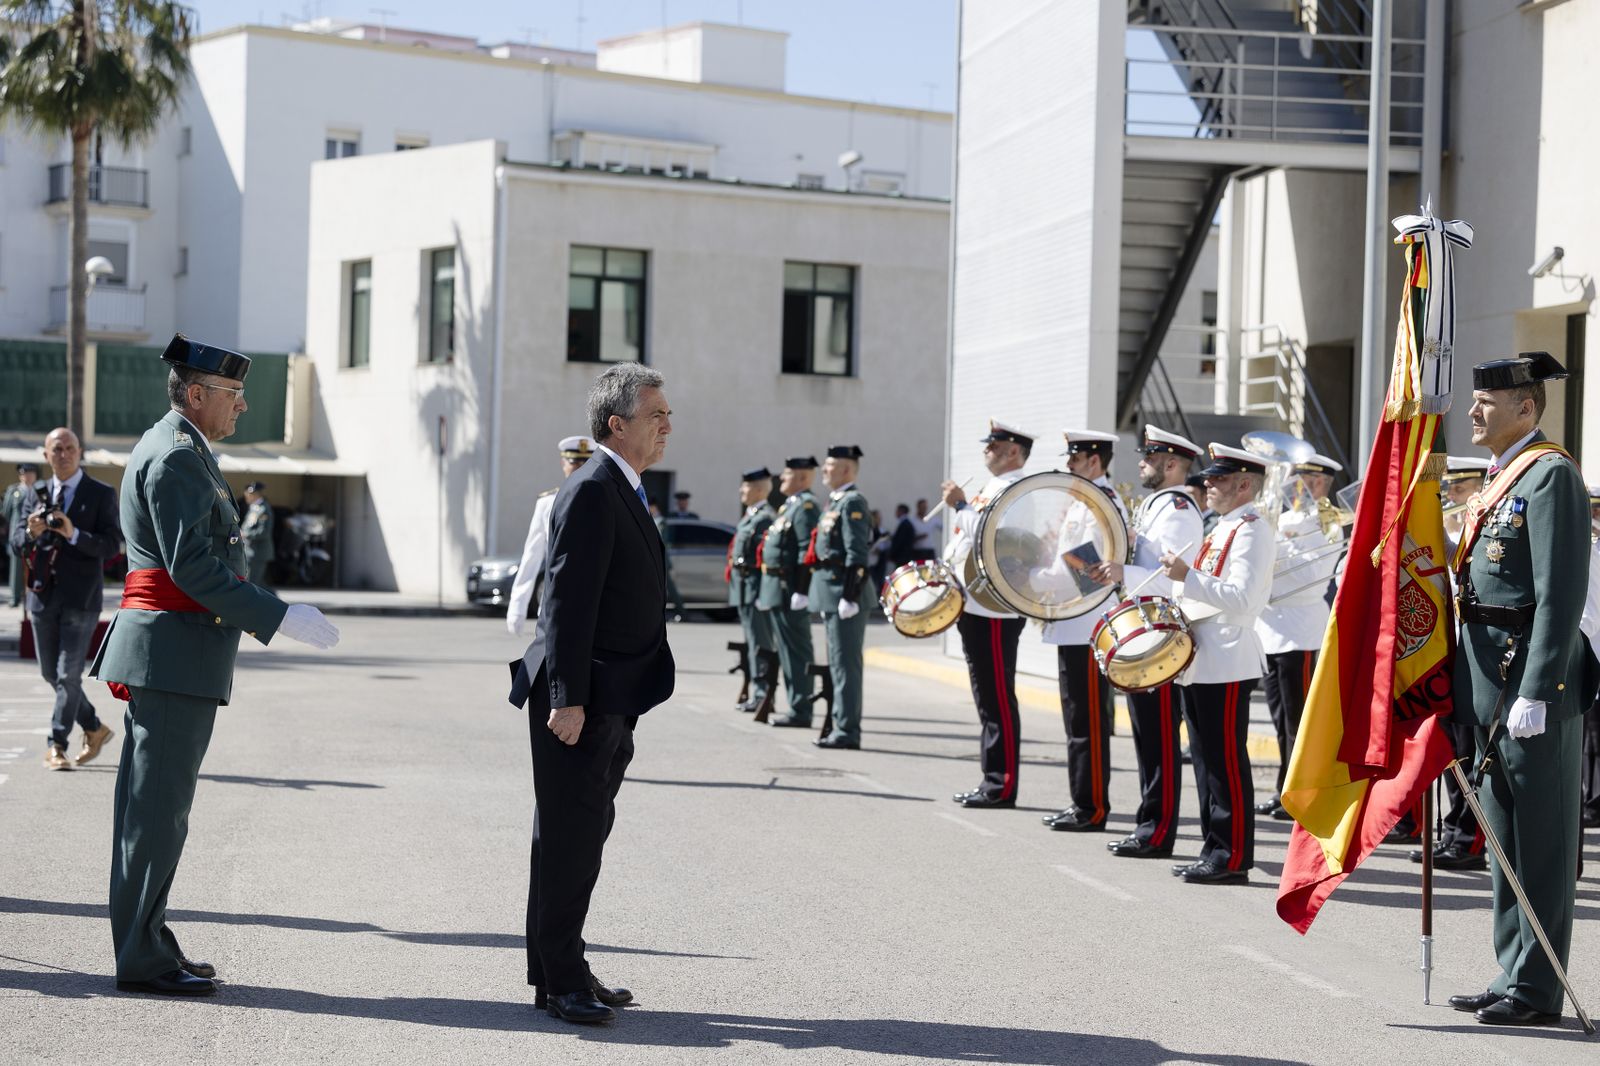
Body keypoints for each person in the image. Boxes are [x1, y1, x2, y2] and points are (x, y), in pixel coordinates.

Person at [91, 334, 340, 997]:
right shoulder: (177, 456)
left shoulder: (181, 447)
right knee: (156, 813)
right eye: (234, 394)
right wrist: (276, 615)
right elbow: (192, 568)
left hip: (174, 654)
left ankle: (148, 939)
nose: (243, 405)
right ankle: (142, 957)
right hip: (173, 654)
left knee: (155, 811)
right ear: (196, 393)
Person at [507, 362, 675, 1025]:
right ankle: (562, 982)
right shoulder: (592, 489)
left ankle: (558, 969)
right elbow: (567, 603)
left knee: (574, 837)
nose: (667, 426)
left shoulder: (620, 485)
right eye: (655, 415)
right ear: (617, 424)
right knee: (571, 841)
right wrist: (568, 698)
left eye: (668, 415)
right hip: (583, 697)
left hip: (611, 693)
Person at [1447, 352, 1588, 1028]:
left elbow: (1560, 592)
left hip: (1529, 685)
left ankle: (1538, 989)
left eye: (1487, 402)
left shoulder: (1551, 474)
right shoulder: (1500, 477)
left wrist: (1541, 686)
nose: (1473, 411)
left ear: (1525, 407)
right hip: (1488, 680)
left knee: (1543, 844)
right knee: (1503, 841)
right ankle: (1512, 971)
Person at [1158, 443, 1275, 885]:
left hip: (1227, 655)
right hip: (1203, 655)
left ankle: (1231, 856)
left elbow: (1243, 598)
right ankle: (1214, 849)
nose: (1207, 484)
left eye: (1219, 478)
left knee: (1225, 762)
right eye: (1209, 477)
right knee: (1206, 762)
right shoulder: (1225, 525)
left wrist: (1187, 576)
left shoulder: (1251, 530)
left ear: (1244, 485)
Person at [1089, 425, 1205, 858]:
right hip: (1143, 633)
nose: (1141, 463)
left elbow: (1174, 578)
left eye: (1150, 458)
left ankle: (1156, 832)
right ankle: (1149, 826)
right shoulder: (1158, 505)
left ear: (1171, 464)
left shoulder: (1177, 509)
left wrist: (1126, 573)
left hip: (1160, 637)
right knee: (1147, 737)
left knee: (1158, 739)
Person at [12, 429, 122, 771]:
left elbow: (111, 545)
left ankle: (56, 744)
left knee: (68, 674)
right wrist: (31, 532)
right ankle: (94, 727)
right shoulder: (35, 493)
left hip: (81, 598)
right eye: (57, 449)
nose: (64, 454)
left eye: (70, 448)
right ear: (46, 455)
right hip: (43, 596)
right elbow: (16, 543)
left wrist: (73, 533)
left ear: (80, 451)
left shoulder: (100, 493)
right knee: (51, 673)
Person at [1040, 430, 1128, 832]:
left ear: (1094, 461)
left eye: (1074, 459)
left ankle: (1091, 808)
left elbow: (1087, 571)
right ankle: (1081, 801)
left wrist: (1034, 579)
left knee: (1088, 721)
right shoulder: (1085, 501)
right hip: (1071, 623)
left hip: (1088, 624)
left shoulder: (1103, 503)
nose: (1069, 466)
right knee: (1076, 719)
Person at [943, 420, 1033, 808]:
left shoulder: (1017, 488)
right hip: (975, 602)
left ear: (1014, 452)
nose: (987, 450)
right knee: (986, 696)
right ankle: (991, 779)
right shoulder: (994, 487)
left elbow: (991, 536)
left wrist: (960, 506)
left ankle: (1001, 784)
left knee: (997, 697)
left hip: (996, 606)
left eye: (994, 446)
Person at [1408, 455, 1492, 868]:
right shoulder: (1453, 530)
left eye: (1459, 487)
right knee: (1451, 751)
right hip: (1448, 652)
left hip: (1473, 654)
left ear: (1478, 488)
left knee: (1469, 751)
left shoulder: (1483, 529)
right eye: (1449, 487)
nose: (1451, 494)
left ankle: (1470, 839)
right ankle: (1453, 831)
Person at [1254, 454, 1343, 821]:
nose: (1297, 485)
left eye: (1305, 479)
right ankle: (1284, 789)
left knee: (1299, 721)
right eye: (1296, 477)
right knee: (1280, 720)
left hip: (1300, 630)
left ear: (1321, 483)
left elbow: (1311, 577)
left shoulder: (1328, 522)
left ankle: (1302, 794)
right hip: (1270, 628)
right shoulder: (1284, 517)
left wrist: (1272, 556)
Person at [810, 445, 872, 750]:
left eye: (830, 465)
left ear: (846, 470)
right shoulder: (835, 501)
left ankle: (847, 730)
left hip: (844, 593)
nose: (824, 470)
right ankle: (839, 724)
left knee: (845, 665)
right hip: (831, 592)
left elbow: (856, 553)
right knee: (837, 663)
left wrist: (850, 595)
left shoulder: (852, 502)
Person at [506, 436, 594, 636]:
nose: (580, 468)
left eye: (586, 464)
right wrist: (518, 607)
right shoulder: (547, 503)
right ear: (563, 463)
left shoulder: (605, 499)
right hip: (555, 603)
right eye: (574, 463)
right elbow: (532, 556)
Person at [758, 457, 820, 728]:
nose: (781, 479)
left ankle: (801, 710)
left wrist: (802, 590)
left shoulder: (806, 507)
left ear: (803, 478)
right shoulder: (790, 506)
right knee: (786, 651)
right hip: (778, 589)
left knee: (796, 652)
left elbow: (808, 551)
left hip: (790, 590)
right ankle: (796, 706)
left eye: (787, 474)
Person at [728, 466, 779, 717]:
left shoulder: (765, 518)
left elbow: (765, 559)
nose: (741, 490)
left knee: (761, 644)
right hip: (744, 588)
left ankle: (764, 695)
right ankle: (758, 692)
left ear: (758, 490)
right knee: (752, 642)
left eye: (746, 486)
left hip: (755, 589)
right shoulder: (751, 516)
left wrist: (763, 594)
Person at [4, 462, 41, 607]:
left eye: (31, 473)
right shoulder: (14, 491)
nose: (28, 476)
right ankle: (15, 597)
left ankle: (33, 596)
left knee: (36, 566)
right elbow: (6, 512)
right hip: (18, 534)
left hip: (36, 533)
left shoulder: (40, 491)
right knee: (16, 567)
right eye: (25, 473)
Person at [651, 499, 686, 620]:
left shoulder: (661, 521)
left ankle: (682, 614)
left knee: (669, 589)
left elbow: (661, 541)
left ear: (654, 507)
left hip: (662, 560)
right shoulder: (655, 520)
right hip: (658, 560)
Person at [240, 481, 274, 585]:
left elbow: (264, 532)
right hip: (251, 551)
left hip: (257, 552)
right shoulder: (254, 507)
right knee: (256, 583)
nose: (246, 498)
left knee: (253, 582)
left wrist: (245, 534)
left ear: (255, 495)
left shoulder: (263, 509)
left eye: (248, 495)